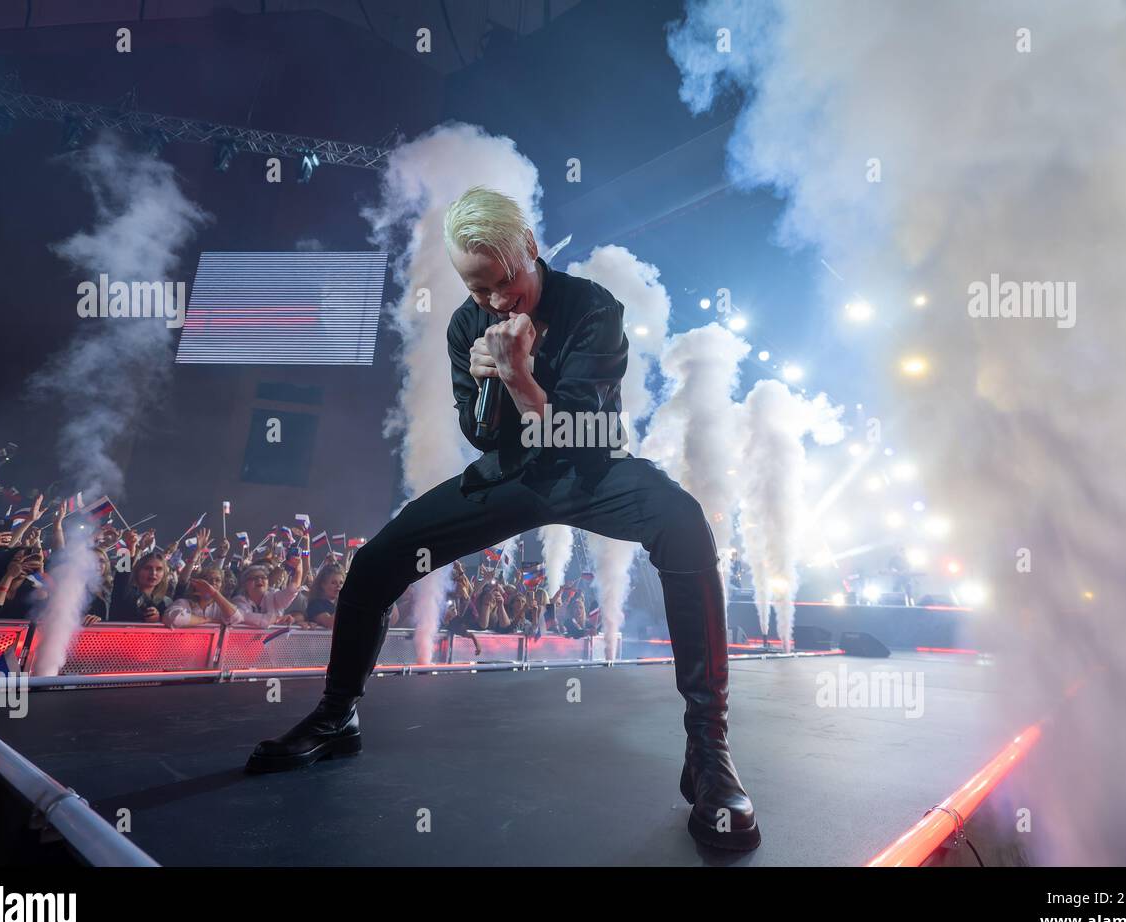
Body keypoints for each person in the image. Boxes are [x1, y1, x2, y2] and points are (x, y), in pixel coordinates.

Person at [247, 185, 759, 851]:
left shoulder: (592, 309)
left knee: (685, 524)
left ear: (531, 251)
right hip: (509, 478)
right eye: (476, 288)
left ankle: (708, 752)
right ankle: (336, 716)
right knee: (375, 564)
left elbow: (581, 432)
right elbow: (484, 436)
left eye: (503, 284)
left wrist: (519, 376)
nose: (492, 302)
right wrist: (488, 380)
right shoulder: (468, 324)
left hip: (590, 470)